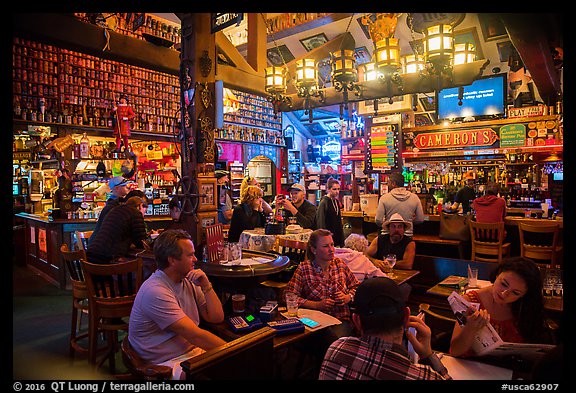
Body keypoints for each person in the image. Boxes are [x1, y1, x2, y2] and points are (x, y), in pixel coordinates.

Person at [128, 229, 226, 380]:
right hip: (163, 363)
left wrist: (206, 286)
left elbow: (216, 317)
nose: (195, 259)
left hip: (189, 351)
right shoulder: (156, 291)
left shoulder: (188, 279)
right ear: (172, 260)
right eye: (190, 255)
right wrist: (234, 352)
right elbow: (196, 336)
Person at [319, 277, 451, 380]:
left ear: (357, 321)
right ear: (406, 317)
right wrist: (428, 355)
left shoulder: (336, 349)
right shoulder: (424, 376)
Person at [449, 257, 547, 357]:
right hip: (471, 367)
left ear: (524, 295)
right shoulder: (470, 301)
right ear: (498, 274)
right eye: (504, 284)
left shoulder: (525, 307)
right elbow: (455, 351)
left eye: (515, 292)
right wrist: (470, 328)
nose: (504, 294)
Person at [285, 229, 360, 354]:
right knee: (325, 341)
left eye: (332, 244)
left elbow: (357, 287)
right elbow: (289, 296)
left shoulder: (340, 264)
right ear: (314, 250)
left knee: (332, 342)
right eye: (326, 246)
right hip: (314, 321)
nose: (331, 249)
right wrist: (316, 305)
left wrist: (348, 297)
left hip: (340, 319)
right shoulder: (304, 268)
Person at [87, 195, 149, 264]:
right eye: (144, 212)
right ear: (140, 206)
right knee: (138, 266)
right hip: (107, 260)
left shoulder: (115, 210)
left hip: (91, 255)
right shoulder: (136, 213)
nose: (143, 215)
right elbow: (141, 242)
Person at [374, 171, 424, 237]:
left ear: (393, 183)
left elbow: (378, 220)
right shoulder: (414, 198)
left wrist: (388, 225)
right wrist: (407, 223)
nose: (387, 184)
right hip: (407, 236)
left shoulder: (384, 198)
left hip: (388, 236)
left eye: (389, 182)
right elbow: (420, 219)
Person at [316, 178, 345, 247]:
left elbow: (338, 221)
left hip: (336, 236)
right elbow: (321, 221)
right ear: (328, 189)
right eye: (334, 189)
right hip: (328, 236)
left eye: (338, 189)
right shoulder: (324, 202)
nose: (337, 192)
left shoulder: (336, 201)